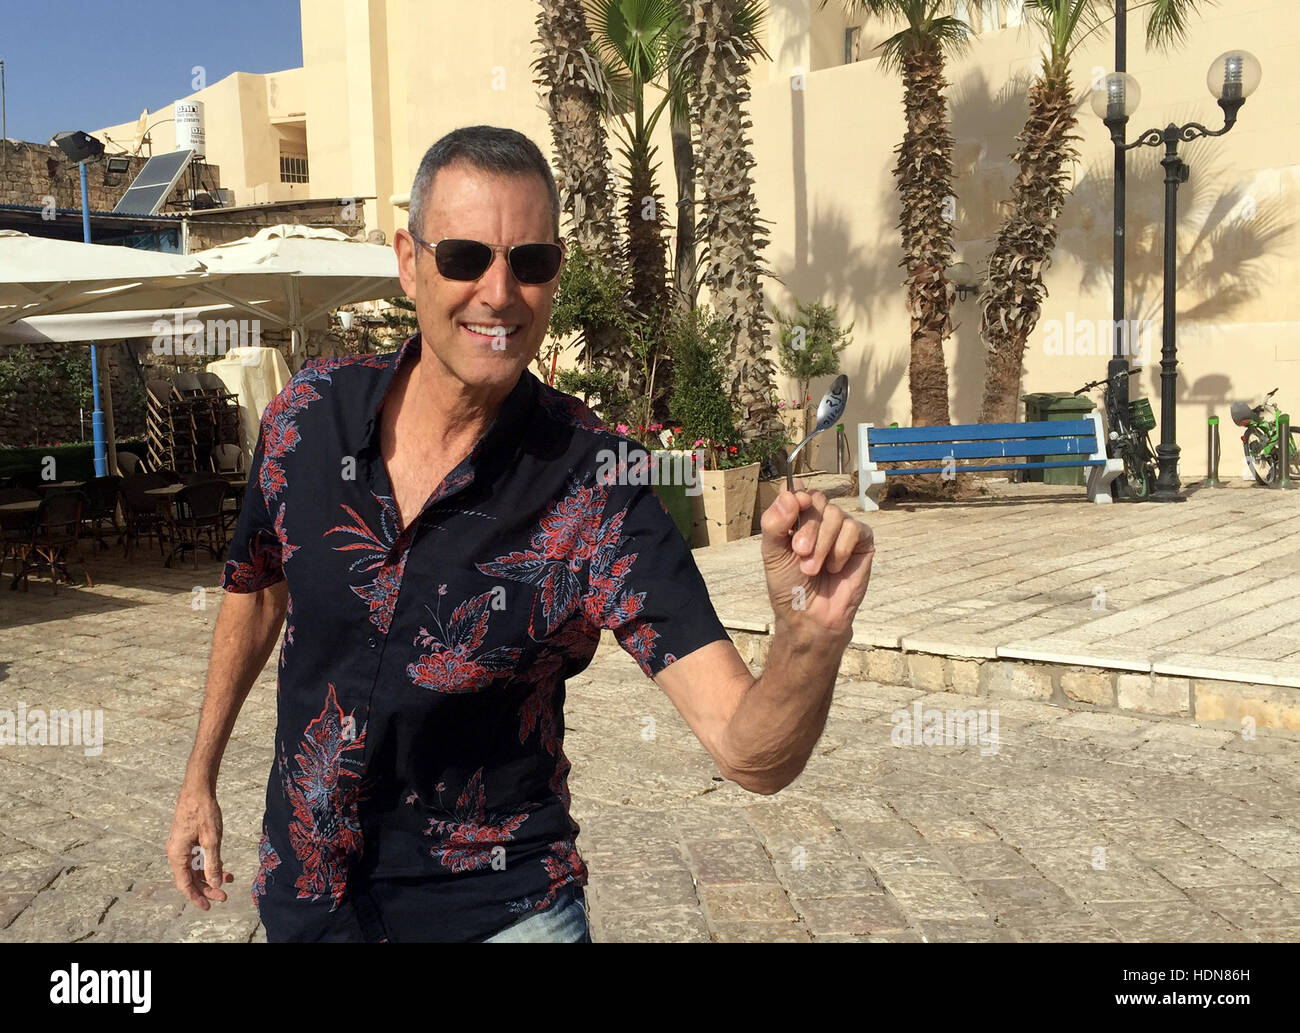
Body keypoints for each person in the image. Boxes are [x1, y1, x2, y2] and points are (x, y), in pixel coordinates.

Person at [166, 125, 874, 942]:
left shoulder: (596, 486)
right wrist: (199, 775)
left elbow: (751, 752)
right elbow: (257, 589)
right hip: (309, 899)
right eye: (465, 256)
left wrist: (810, 638)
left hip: (498, 911)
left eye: (529, 263)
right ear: (409, 261)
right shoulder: (305, 421)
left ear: (554, 274)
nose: (499, 293)